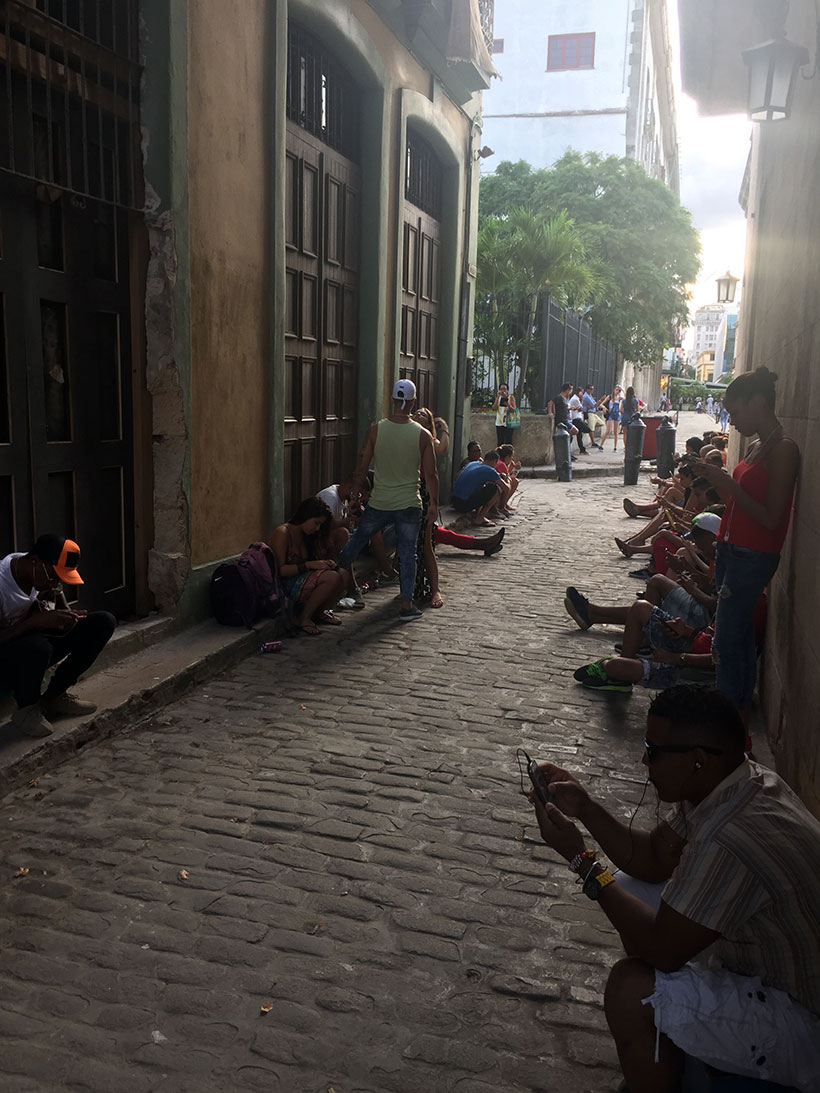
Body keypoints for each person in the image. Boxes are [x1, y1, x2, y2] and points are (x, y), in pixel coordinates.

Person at [526, 686, 820, 1092]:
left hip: (803, 1018)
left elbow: (661, 948)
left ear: (698, 760)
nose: (645, 759)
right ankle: (668, 1053)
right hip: (759, 961)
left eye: (654, 750)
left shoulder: (730, 836)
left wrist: (581, 860)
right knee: (634, 888)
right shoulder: (737, 782)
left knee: (632, 990)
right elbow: (650, 858)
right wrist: (587, 808)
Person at [691, 366, 799, 725]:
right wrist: (714, 479)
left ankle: (726, 722)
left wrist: (731, 485)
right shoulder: (756, 446)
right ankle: (735, 712)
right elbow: (737, 502)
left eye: (735, 412)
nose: (731, 421)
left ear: (757, 403)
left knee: (725, 641)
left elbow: (771, 518)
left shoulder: (783, 450)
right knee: (735, 639)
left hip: (752, 556)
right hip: (731, 548)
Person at [336, 378, 438, 623]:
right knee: (408, 552)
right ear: (412, 402)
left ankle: (331, 578)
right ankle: (406, 604)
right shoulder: (423, 435)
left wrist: (354, 495)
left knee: (357, 540)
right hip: (409, 502)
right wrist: (434, 503)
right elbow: (431, 474)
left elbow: (362, 466)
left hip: (380, 501)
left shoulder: (376, 430)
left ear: (393, 400)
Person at [0, 535, 116, 738]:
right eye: (54, 577)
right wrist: (35, 622)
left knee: (103, 622)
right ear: (35, 561)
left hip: (30, 643)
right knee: (38, 647)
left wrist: (67, 617)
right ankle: (26, 709)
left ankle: (54, 696)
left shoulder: (38, 572)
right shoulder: (2, 583)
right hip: (8, 656)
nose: (55, 583)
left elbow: (58, 607)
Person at [270, 498, 349, 635]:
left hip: (301, 578)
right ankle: (303, 618)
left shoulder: (308, 536)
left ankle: (318, 612)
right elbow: (280, 570)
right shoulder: (283, 533)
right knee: (331, 578)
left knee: (343, 574)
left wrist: (324, 563)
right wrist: (310, 565)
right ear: (306, 516)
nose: (317, 528)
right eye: (316, 523)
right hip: (284, 584)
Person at [450, 450, 507, 527]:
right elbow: (506, 488)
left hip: (454, 501)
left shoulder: (473, 463)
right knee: (495, 489)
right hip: (463, 505)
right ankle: (480, 519)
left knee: (482, 486)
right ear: (494, 461)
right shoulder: (489, 470)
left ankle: (478, 514)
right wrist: (502, 506)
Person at [569, 387, 598, 453]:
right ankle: (590, 444)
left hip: (576, 418)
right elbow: (581, 408)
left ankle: (582, 449)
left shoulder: (575, 398)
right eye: (581, 392)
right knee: (589, 430)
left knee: (579, 435)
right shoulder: (576, 399)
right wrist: (581, 399)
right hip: (576, 419)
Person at [599, 385, 623, 451]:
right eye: (616, 389)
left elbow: (626, 398)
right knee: (608, 431)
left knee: (616, 432)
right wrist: (604, 408)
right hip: (611, 414)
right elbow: (601, 404)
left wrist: (623, 390)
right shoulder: (609, 397)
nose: (617, 391)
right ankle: (601, 445)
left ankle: (615, 447)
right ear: (614, 389)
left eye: (618, 390)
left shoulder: (619, 398)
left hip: (617, 414)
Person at [492, 382, 516, 447]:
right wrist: (497, 397)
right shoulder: (498, 398)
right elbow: (494, 408)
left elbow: (514, 410)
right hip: (499, 422)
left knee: (508, 441)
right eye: (501, 389)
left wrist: (508, 404)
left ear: (507, 390)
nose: (503, 391)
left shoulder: (511, 397)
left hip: (508, 422)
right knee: (500, 441)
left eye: (504, 389)